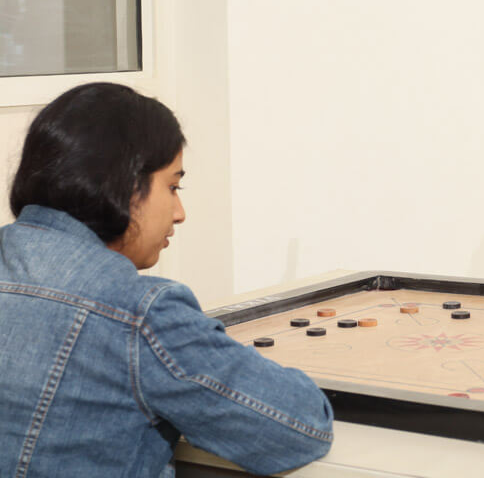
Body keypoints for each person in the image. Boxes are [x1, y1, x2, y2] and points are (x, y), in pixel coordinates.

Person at [0, 83, 333, 477]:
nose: (180, 213)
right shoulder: (138, 313)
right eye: (172, 187)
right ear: (123, 184)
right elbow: (300, 427)